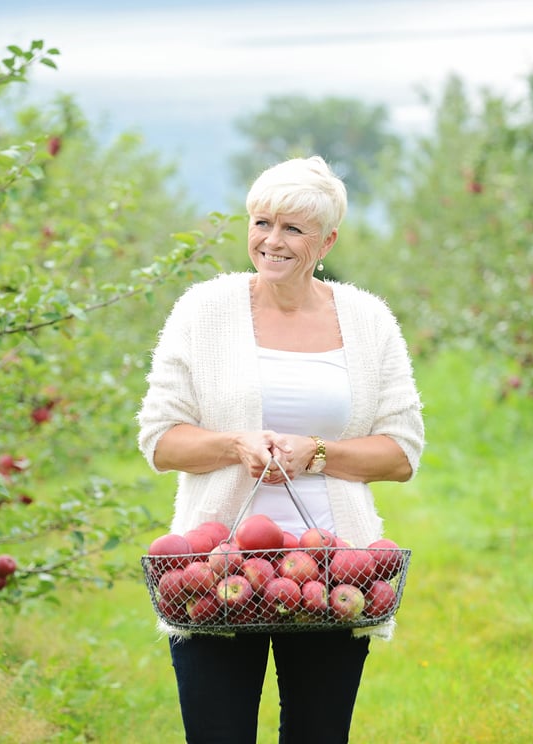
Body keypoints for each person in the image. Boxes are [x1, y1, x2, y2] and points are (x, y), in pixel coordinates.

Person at [136, 155, 425, 744]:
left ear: (327, 241)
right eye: (261, 222)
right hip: (217, 568)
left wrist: (317, 453)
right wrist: (233, 443)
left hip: (333, 566)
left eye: (292, 228)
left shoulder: (369, 321)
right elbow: (162, 441)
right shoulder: (203, 310)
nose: (272, 241)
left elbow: (400, 452)